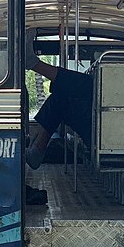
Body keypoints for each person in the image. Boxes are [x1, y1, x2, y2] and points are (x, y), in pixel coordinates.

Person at [25, 30, 93, 169]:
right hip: (97, 129)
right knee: (61, 97)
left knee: (86, 84)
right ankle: (33, 63)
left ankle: (33, 63)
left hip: (109, 133)